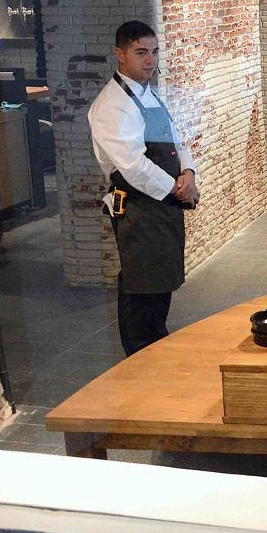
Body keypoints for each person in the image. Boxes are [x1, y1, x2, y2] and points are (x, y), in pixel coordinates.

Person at [88, 21, 199, 356]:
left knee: (159, 283)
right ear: (120, 54)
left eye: (153, 52)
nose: (150, 60)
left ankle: (156, 346)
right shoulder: (112, 105)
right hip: (139, 207)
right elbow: (133, 166)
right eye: (140, 53)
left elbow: (174, 139)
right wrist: (178, 189)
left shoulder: (147, 94)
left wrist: (189, 171)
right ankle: (138, 357)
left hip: (163, 204)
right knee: (142, 287)